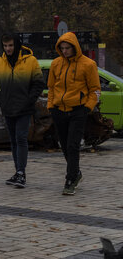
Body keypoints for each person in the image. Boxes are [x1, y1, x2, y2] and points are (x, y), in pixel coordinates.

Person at [46, 32, 100, 196]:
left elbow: (95, 90)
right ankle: (76, 173)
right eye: (62, 48)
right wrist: (51, 106)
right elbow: (51, 87)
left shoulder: (88, 64)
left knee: (72, 145)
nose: (64, 51)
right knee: (64, 145)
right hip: (59, 110)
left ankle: (70, 180)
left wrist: (87, 108)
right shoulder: (56, 64)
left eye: (67, 48)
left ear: (74, 47)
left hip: (78, 110)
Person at [0, 34, 44, 188]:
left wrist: (28, 100)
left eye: (10, 45)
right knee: (13, 140)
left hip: (24, 108)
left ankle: (21, 172)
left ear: (16, 45)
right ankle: (18, 172)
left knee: (21, 138)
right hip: (8, 108)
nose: (8, 49)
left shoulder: (30, 61)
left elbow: (39, 83)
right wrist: (0, 101)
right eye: (5, 46)